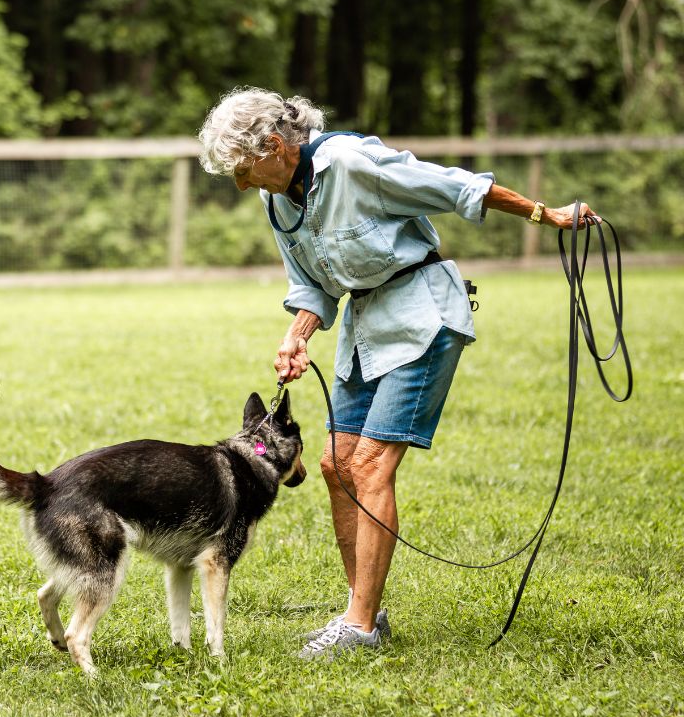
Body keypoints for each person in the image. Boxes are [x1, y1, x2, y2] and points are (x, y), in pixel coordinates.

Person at [198, 87, 598, 660]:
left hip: (421, 312)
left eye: (243, 169)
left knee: (369, 464)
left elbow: (456, 187)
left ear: (275, 144)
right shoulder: (278, 201)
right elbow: (313, 282)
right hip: (364, 326)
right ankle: (365, 613)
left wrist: (547, 214)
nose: (240, 183)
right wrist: (296, 335)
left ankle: (358, 628)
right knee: (336, 464)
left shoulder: (354, 163)